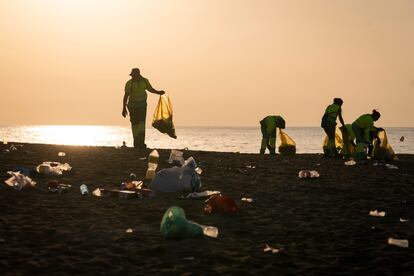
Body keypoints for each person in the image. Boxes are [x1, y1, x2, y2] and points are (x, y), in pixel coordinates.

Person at [122, 68, 165, 149]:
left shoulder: (145, 81)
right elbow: (125, 96)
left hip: (142, 105)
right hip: (132, 106)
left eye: (134, 75)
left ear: (138, 75)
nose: (133, 77)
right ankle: (136, 142)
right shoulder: (129, 83)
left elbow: (150, 89)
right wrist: (124, 108)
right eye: (132, 75)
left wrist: (159, 92)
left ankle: (141, 143)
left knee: (141, 124)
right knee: (134, 124)